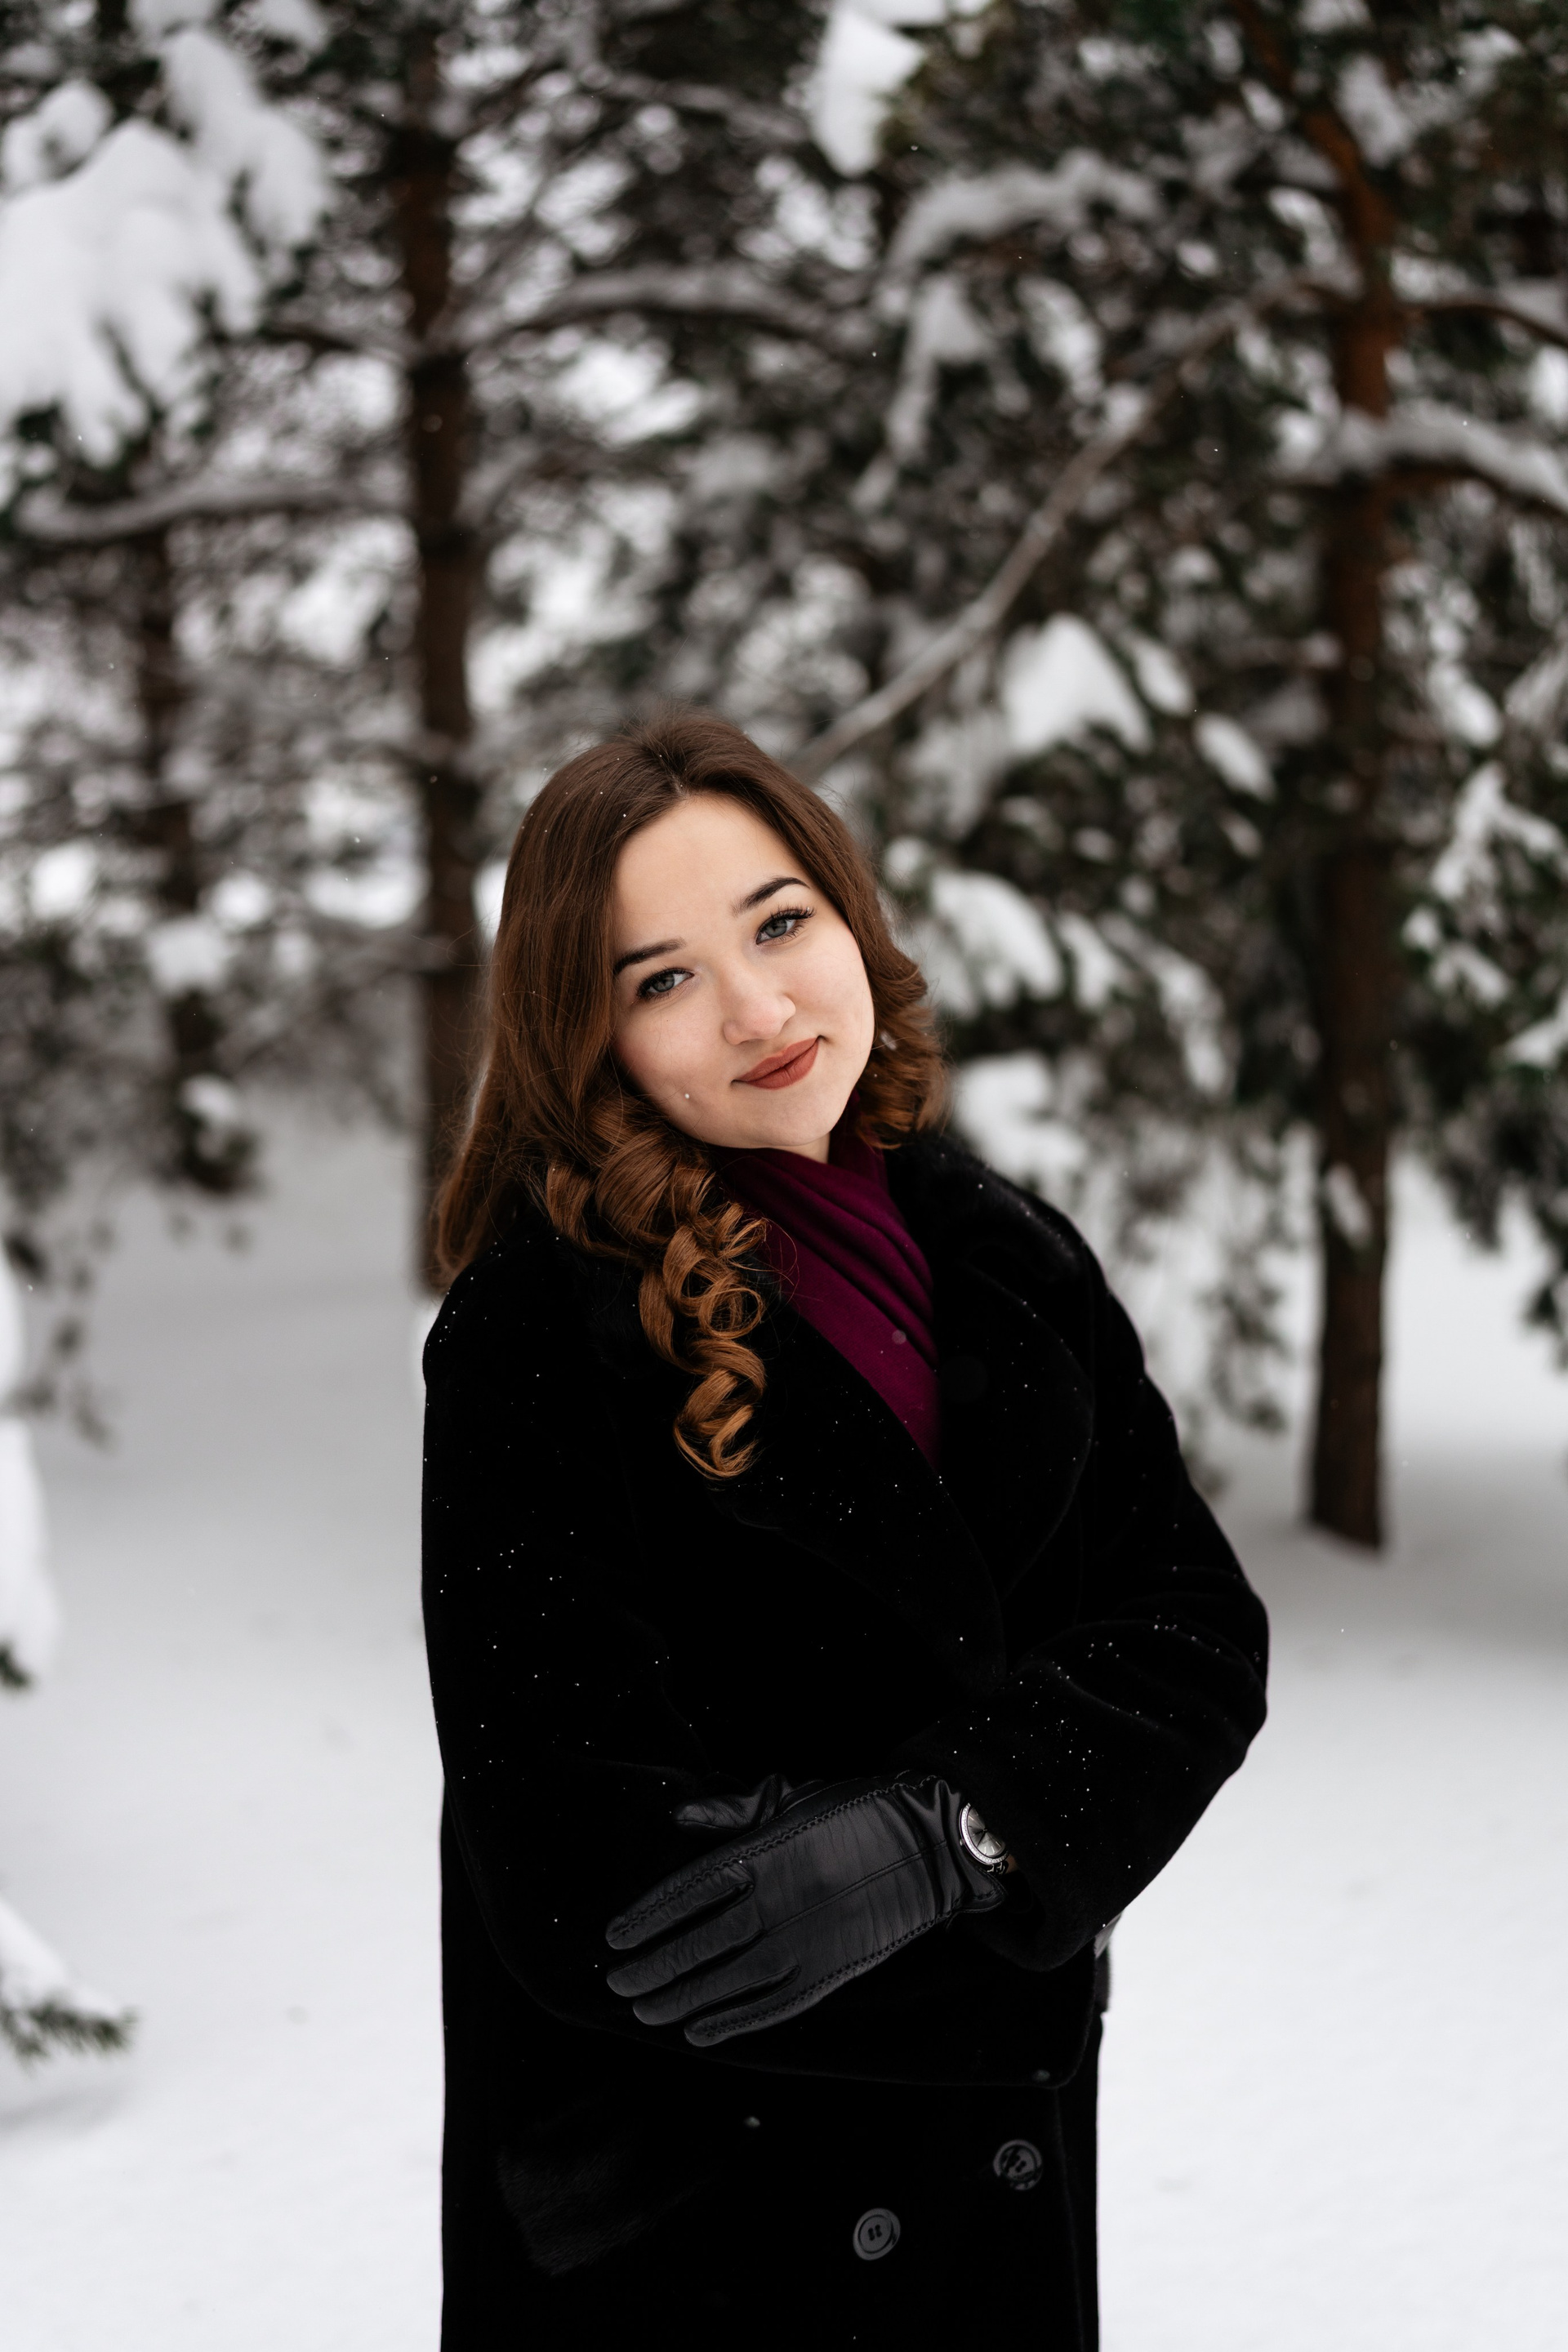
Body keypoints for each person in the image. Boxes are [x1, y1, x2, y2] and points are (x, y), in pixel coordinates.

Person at [422, 708, 1268, 2348]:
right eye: (662, 978)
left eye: (779, 923)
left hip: (990, 2198)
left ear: (849, 915)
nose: (757, 1009)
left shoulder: (1008, 1254)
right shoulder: (538, 1330)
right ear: (588, 1033)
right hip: (698, 2221)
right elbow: (575, 1864)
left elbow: (1192, 1632)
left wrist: (954, 1841)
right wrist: (1024, 1910)